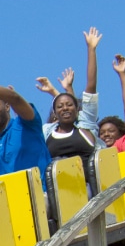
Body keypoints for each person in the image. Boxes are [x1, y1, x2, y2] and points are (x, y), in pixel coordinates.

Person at [35, 27, 103, 165]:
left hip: (88, 184)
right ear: (55, 113)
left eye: (69, 105)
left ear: (77, 108)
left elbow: (91, 85)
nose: (65, 108)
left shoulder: (86, 125)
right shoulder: (46, 132)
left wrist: (91, 49)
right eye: (60, 107)